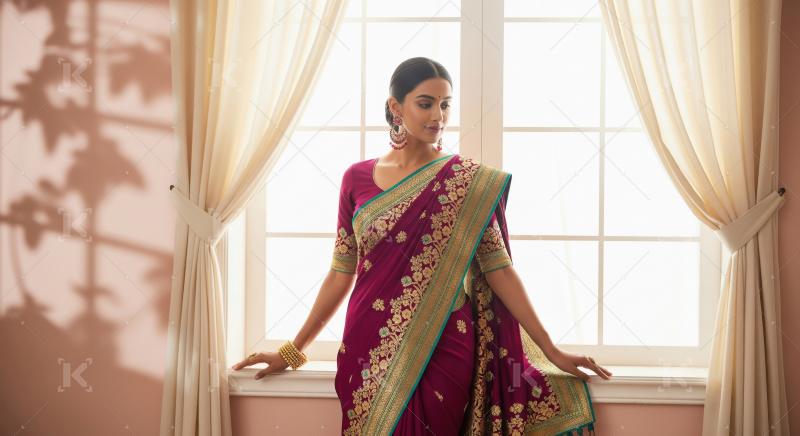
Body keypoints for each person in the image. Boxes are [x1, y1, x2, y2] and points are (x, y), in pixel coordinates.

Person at [233, 57, 612, 435]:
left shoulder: (466, 183)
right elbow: (340, 272)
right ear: (396, 107)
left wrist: (551, 350)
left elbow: (499, 270)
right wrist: (293, 350)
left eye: (445, 104)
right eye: (426, 103)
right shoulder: (356, 178)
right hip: (367, 345)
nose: (438, 115)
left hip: (443, 346)